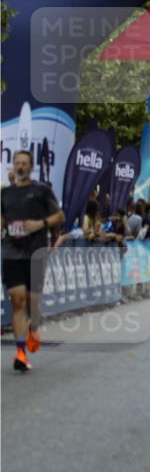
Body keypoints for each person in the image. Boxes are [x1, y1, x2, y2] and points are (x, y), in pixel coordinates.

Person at [1, 150, 64, 372]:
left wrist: (40, 224)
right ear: (13, 165)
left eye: (24, 163)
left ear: (31, 166)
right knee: (17, 301)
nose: (20, 167)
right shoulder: (5, 193)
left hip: (35, 253)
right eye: (17, 163)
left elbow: (60, 216)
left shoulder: (41, 190)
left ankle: (34, 327)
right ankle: (20, 353)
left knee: (31, 302)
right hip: (11, 252)